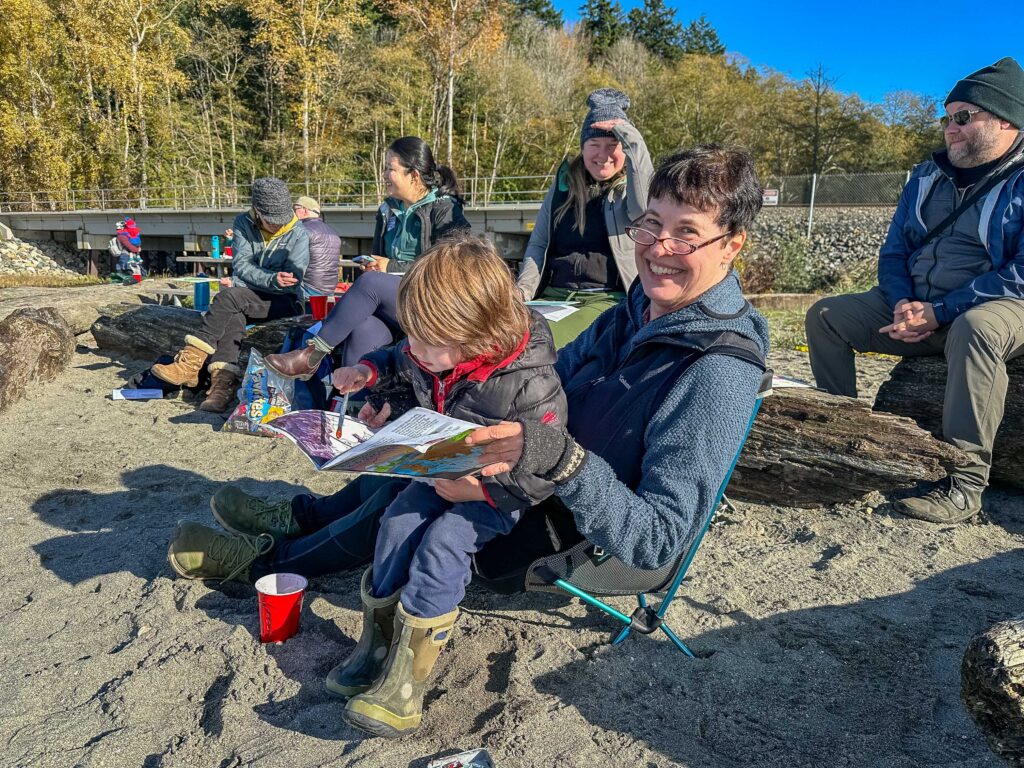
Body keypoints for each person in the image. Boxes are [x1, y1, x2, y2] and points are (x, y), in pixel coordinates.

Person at [168, 236, 567, 737]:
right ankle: (376, 643)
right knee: (395, 522)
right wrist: (369, 372)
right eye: (414, 335)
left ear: (478, 331)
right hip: (440, 470)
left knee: (442, 545)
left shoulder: (529, 383)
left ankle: (406, 680)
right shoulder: (438, 350)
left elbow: (543, 466)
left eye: (427, 341)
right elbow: (403, 358)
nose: (415, 348)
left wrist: (480, 491)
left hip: (491, 493)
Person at [804, 57, 1024, 524]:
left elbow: (1020, 272)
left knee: (976, 329)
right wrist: (903, 301)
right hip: (919, 307)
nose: (950, 128)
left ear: (1006, 120)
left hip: (998, 307)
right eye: (947, 118)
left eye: (963, 116)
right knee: (826, 316)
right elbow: (893, 252)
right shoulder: (925, 176)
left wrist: (941, 311)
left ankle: (965, 484)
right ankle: (843, 444)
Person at [263, 136, 470, 378]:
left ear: (413, 175)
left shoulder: (445, 209)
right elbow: (379, 258)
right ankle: (350, 397)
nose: (384, 175)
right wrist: (374, 265)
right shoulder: (387, 210)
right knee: (363, 327)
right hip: (396, 302)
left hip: (431, 301)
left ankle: (311, 356)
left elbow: (452, 264)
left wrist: (389, 267)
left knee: (371, 283)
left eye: (390, 169)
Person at [152, 177, 310, 412]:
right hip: (247, 298)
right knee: (234, 315)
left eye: (282, 220)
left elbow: (291, 278)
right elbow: (242, 266)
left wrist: (270, 280)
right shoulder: (243, 223)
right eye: (271, 221)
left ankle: (190, 363)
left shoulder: (299, 233)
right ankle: (222, 386)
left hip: (286, 300)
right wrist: (269, 278)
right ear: (258, 212)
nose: (278, 226)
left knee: (228, 297)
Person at [517, 87, 653, 347]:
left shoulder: (631, 190)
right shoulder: (563, 184)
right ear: (582, 147)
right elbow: (539, 243)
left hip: (606, 299)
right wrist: (523, 290)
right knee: (496, 331)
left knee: (540, 341)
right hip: (553, 297)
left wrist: (631, 138)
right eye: (594, 145)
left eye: (613, 146)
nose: (603, 155)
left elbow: (644, 210)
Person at [293, 195, 341, 298]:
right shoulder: (333, 232)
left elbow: (292, 259)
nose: (293, 213)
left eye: (295, 209)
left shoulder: (301, 229)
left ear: (304, 210)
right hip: (329, 289)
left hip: (307, 287)